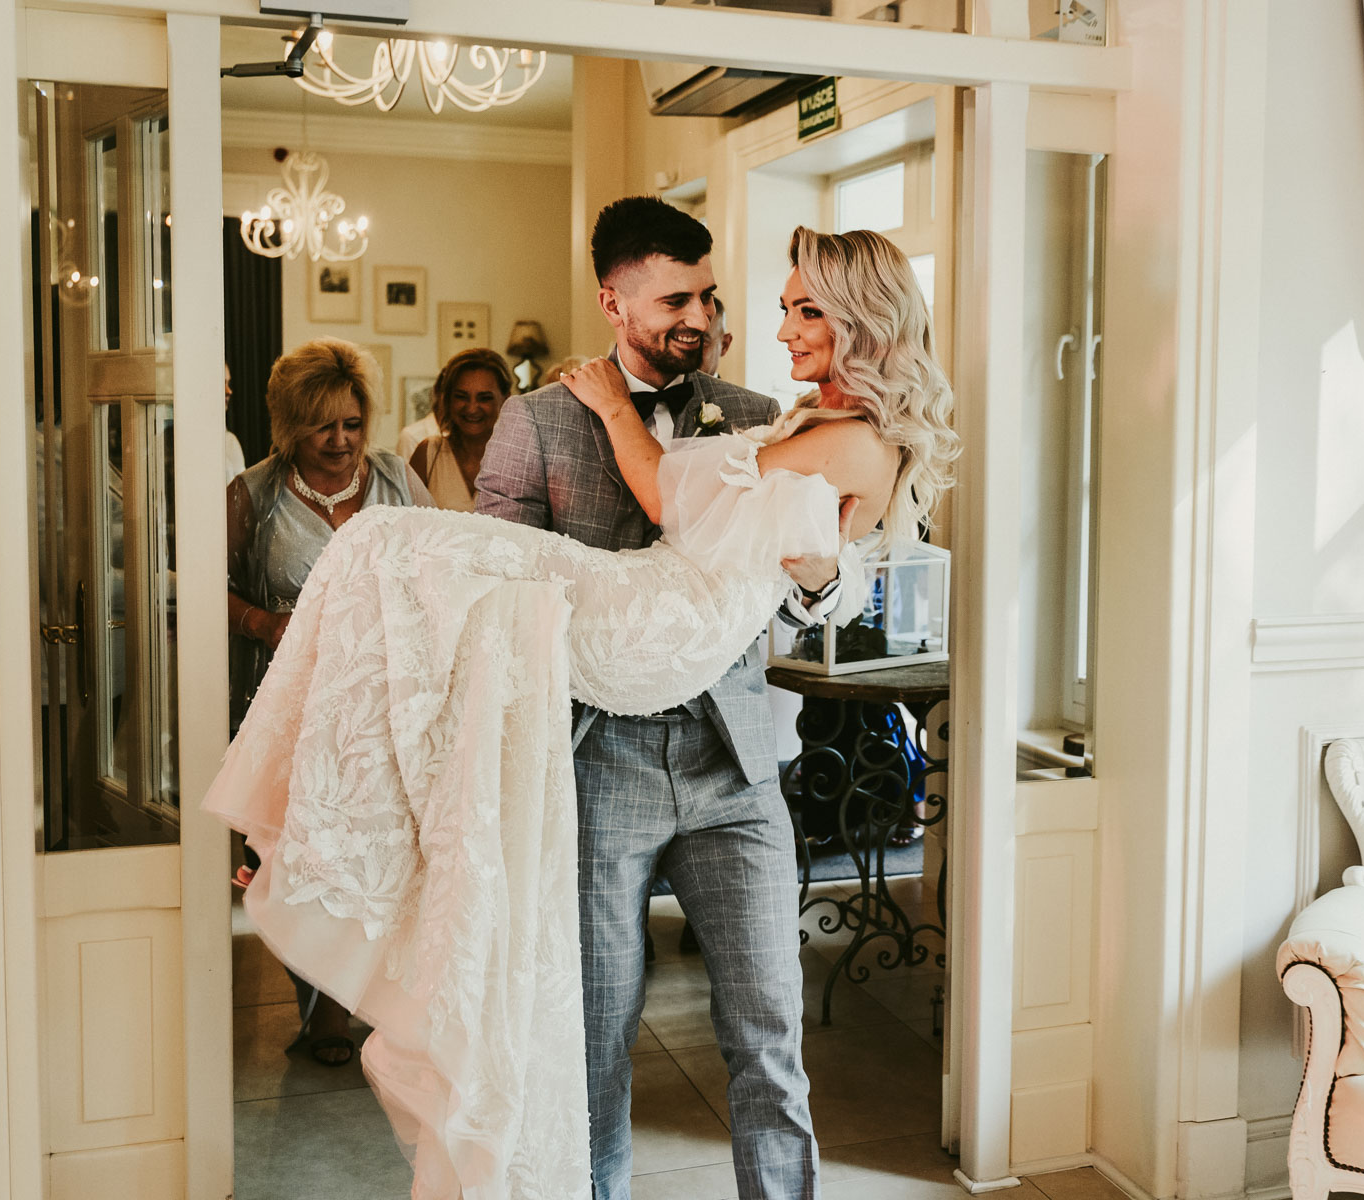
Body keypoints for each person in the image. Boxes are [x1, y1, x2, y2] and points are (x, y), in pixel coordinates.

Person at [204, 216, 955, 1200]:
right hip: (603, 756)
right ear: (616, 303)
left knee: (769, 1042)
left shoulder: (762, 410)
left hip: (731, 764)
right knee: (590, 1042)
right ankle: (319, 816)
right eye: (678, 299)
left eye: (711, 298)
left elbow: (813, 579)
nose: (706, 317)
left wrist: (822, 580)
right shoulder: (536, 419)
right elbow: (493, 575)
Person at [225, 336, 433, 1067]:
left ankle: (373, 999)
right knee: (303, 859)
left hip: (386, 707)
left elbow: (443, 567)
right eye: (323, 427)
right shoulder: (253, 494)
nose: (341, 441)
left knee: (382, 856)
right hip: (292, 709)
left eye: (352, 423)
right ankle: (321, 1008)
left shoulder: (397, 479)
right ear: (289, 426)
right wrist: (263, 622)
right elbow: (207, 588)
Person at [408, 347, 511, 512]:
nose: (472, 408)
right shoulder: (428, 454)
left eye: (484, 398)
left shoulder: (520, 460)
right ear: (448, 399)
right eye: (461, 397)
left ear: (506, 399)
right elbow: (405, 520)